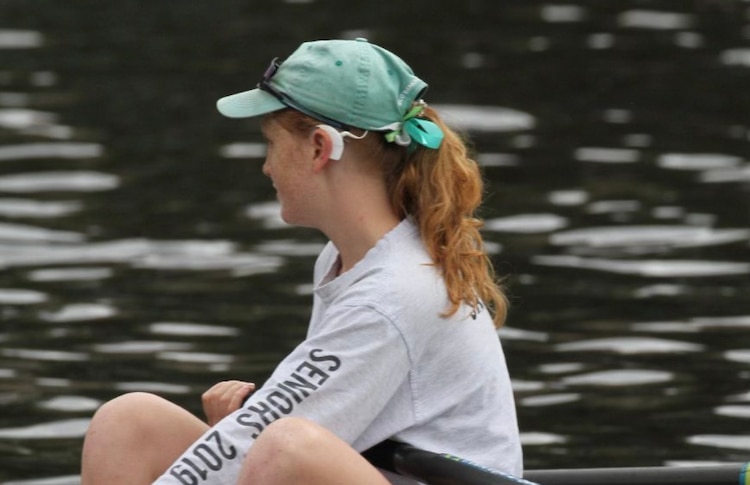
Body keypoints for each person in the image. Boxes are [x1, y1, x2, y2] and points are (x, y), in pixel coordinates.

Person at [80, 38, 522, 485]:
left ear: (319, 148)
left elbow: (264, 442)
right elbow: (274, 426)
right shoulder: (346, 258)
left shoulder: (392, 294)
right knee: (129, 423)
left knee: (286, 448)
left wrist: (248, 430)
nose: (266, 167)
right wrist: (247, 426)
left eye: (271, 143)